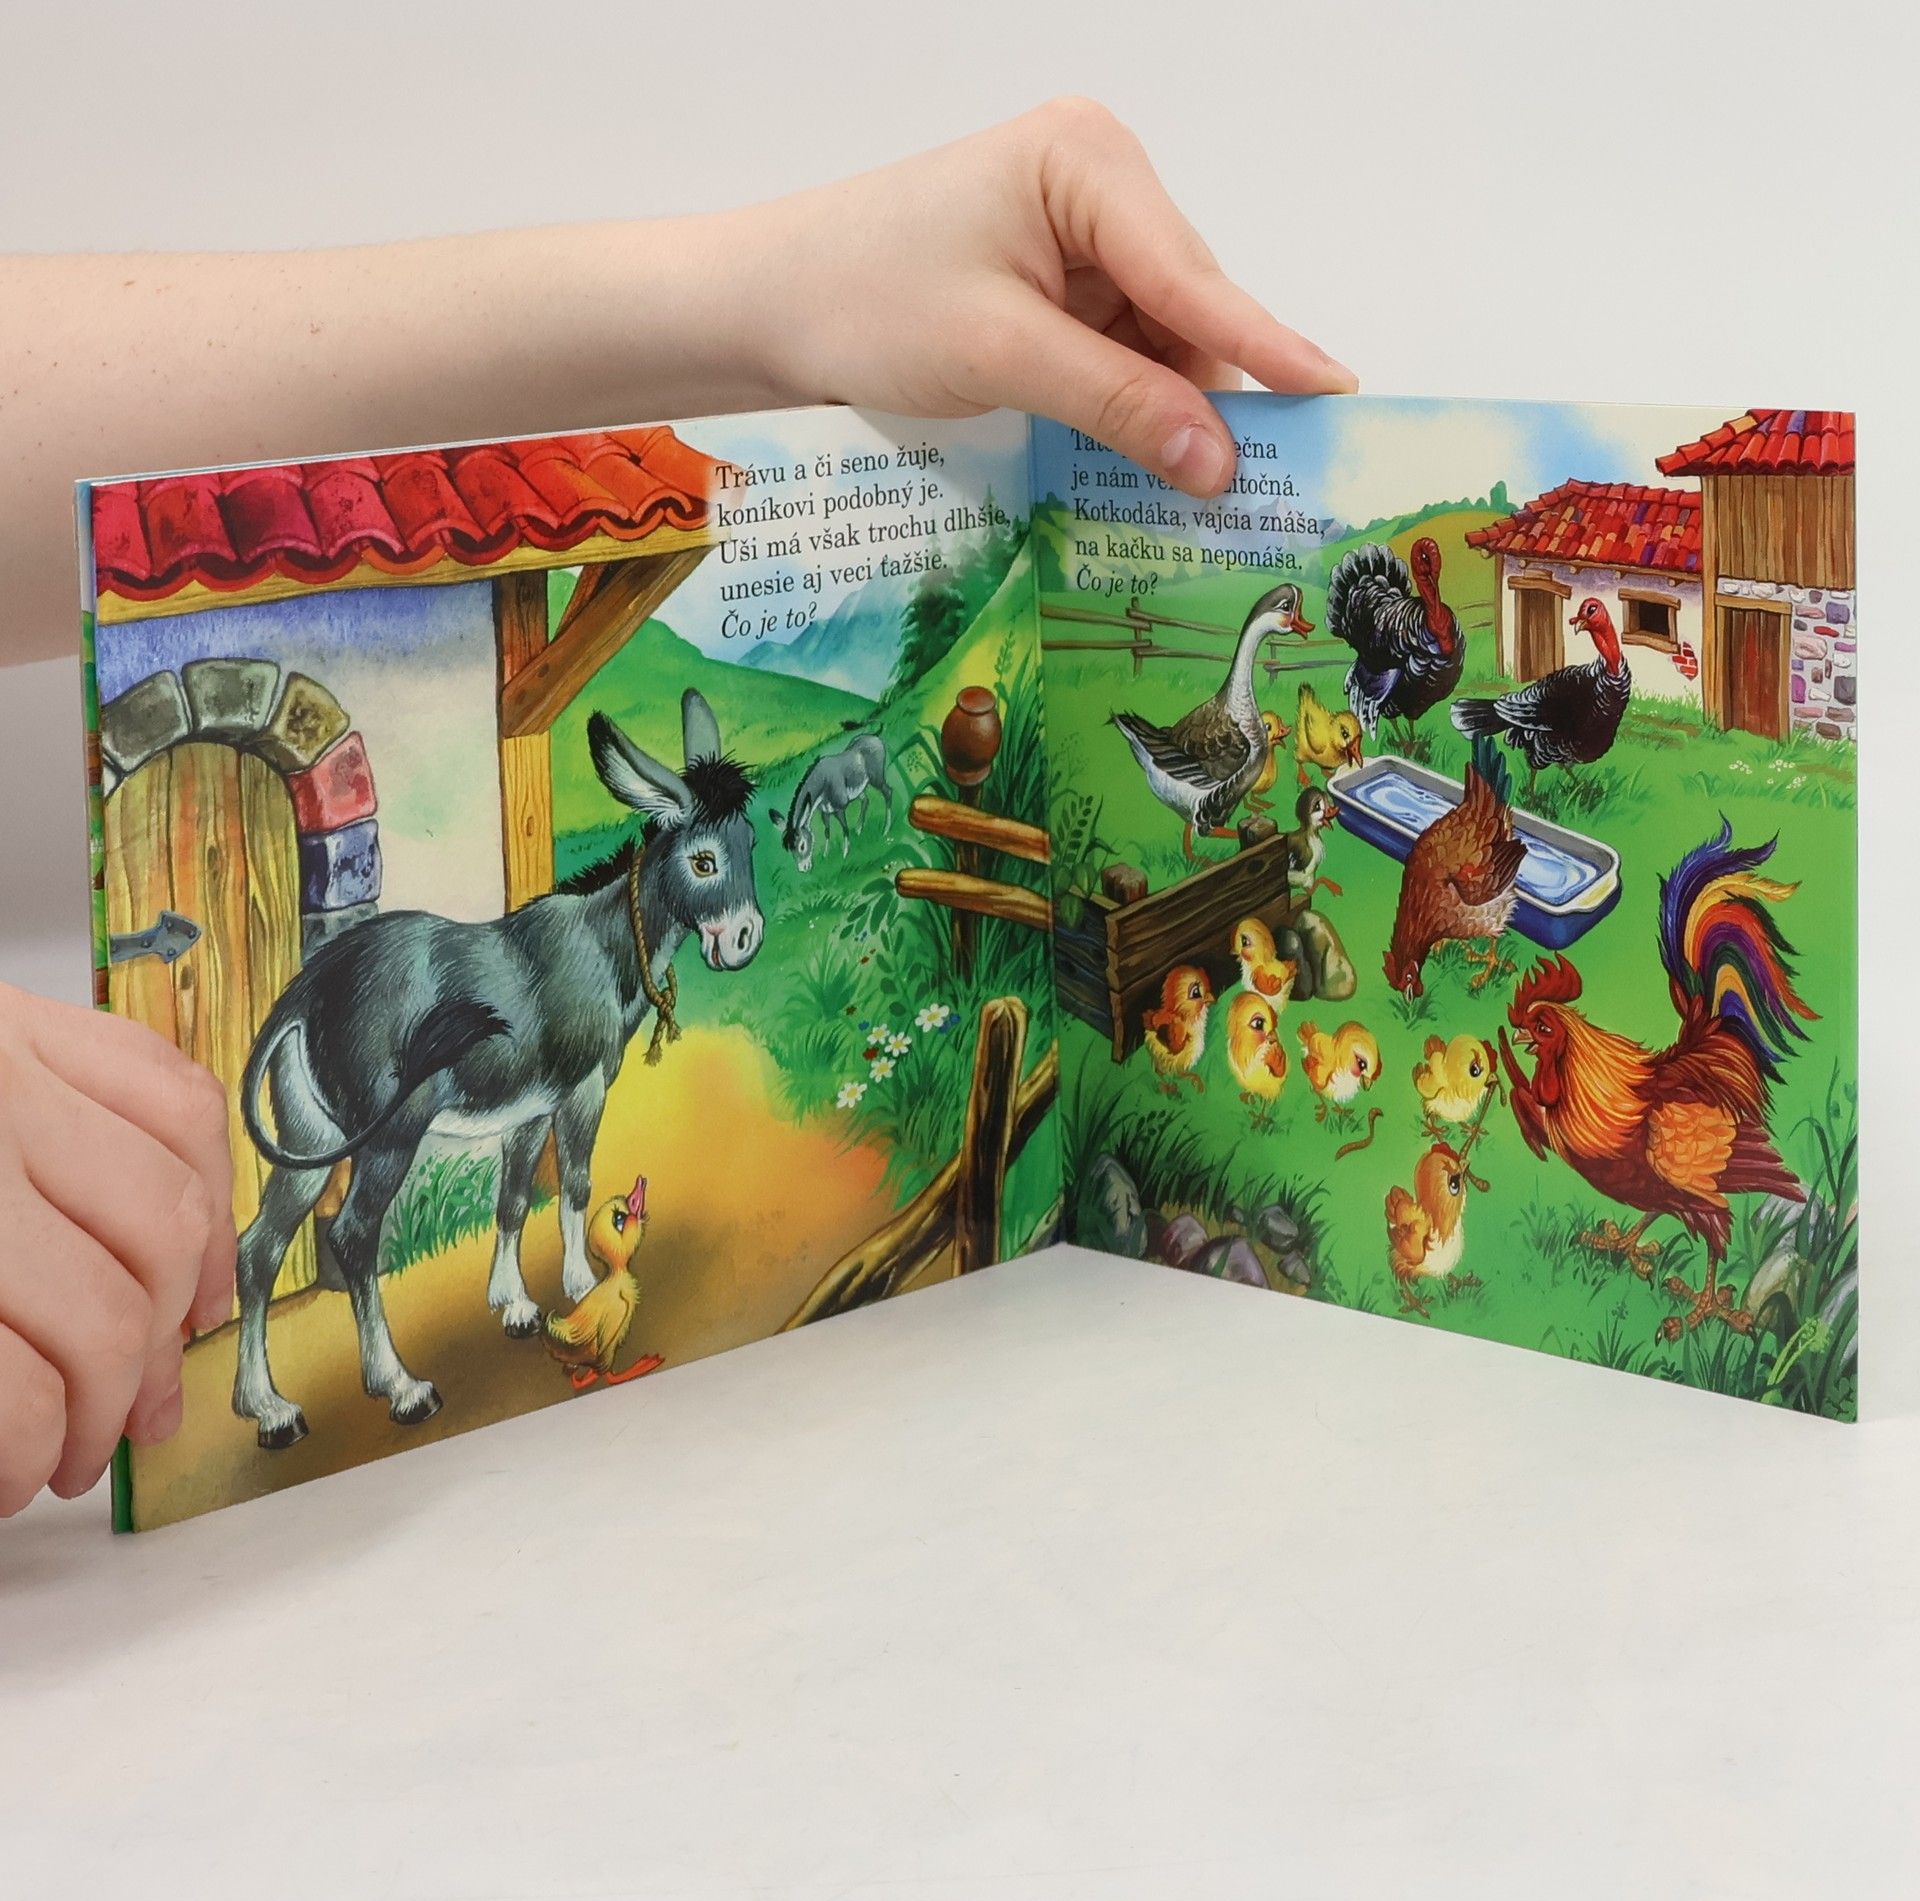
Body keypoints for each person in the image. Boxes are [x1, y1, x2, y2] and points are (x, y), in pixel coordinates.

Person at [0, 99, 1353, 1517]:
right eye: (709, 865)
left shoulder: (608, 941)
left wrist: (769, 290)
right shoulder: (569, 938)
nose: (726, 889)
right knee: (358, 1191)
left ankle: (514, 1280)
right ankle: (348, 1343)